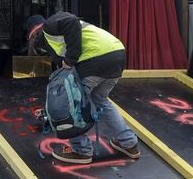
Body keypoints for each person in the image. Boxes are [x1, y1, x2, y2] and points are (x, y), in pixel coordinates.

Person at [26, 12, 139, 164]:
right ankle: (129, 143)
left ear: (35, 34)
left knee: (71, 105)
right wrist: (47, 111)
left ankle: (81, 151)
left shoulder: (49, 26)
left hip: (96, 57)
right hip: (116, 54)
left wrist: (70, 58)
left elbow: (70, 21)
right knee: (100, 100)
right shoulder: (57, 40)